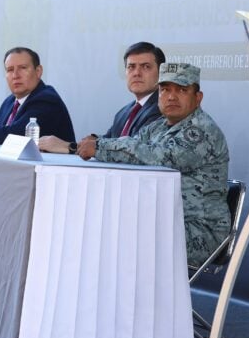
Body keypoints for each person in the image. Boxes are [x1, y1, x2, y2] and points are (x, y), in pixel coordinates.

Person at [77, 62, 229, 265]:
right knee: (104, 223)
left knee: (122, 234)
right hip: (163, 221)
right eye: (165, 90)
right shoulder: (157, 127)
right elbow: (129, 146)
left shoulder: (202, 131)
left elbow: (157, 156)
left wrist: (100, 147)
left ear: (198, 98)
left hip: (198, 231)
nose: (171, 97)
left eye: (182, 90)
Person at [39, 41, 164, 154]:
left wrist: (70, 147)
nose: (136, 73)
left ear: (161, 72)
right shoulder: (124, 112)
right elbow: (108, 141)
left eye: (146, 66)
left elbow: (131, 149)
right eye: (131, 67)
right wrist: (90, 141)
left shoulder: (163, 109)